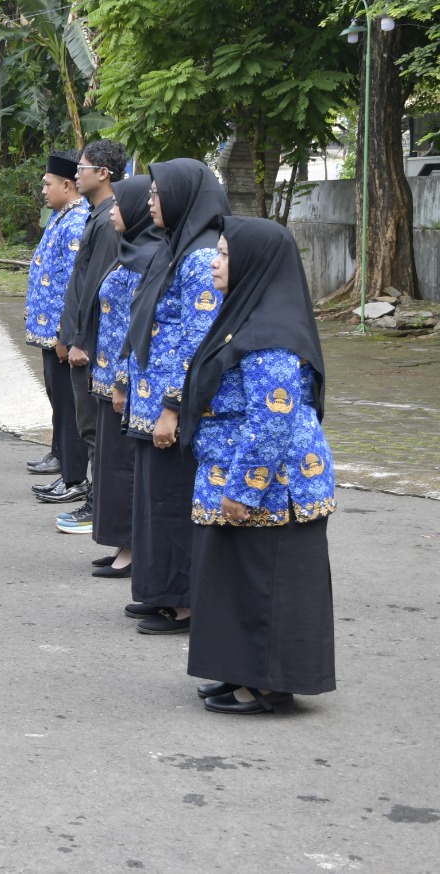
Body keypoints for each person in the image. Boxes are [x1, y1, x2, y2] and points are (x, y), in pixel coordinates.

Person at [180, 217, 336, 714]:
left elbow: (272, 419)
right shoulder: (246, 316)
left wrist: (244, 489)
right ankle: (240, 670)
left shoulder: (271, 332)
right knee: (237, 576)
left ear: (253, 263)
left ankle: (269, 684)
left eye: (224, 255)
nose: (215, 264)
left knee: (266, 579)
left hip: (272, 482)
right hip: (241, 471)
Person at [120, 159, 229, 634]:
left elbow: (197, 343)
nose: (149, 201)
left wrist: (171, 408)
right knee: (153, 502)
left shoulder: (203, 256)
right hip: (149, 402)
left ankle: (183, 602)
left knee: (172, 502)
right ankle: (159, 590)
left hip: (173, 407)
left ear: (183, 197)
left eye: (158, 193)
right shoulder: (173, 247)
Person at [57, 140, 129, 534]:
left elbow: (100, 290)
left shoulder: (106, 222)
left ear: (103, 173)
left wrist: (81, 340)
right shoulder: (97, 216)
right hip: (82, 339)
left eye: (82, 168)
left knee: (94, 430)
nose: (76, 175)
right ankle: (98, 504)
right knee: (89, 427)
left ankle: (98, 506)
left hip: (93, 346)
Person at [89, 176, 156, 577]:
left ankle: (131, 549)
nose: (112, 211)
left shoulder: (147, 258)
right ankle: (119, 541)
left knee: (124, 468)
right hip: (106, 376)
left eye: (118, 205)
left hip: (125, 382)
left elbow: (138, 328)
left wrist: (122, 382)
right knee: (110, 466)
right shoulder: (128, 252)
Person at [26, 151, 91, 508]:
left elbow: (73, 285)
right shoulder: (60, 217)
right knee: (60, 401)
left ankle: (74, 478)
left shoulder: (76, 221)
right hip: (50, 333)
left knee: (69, 406)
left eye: (48, 184)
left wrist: (67, 335)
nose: (43, 189)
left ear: (68, 185)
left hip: (60, 335)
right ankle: (64, 465)